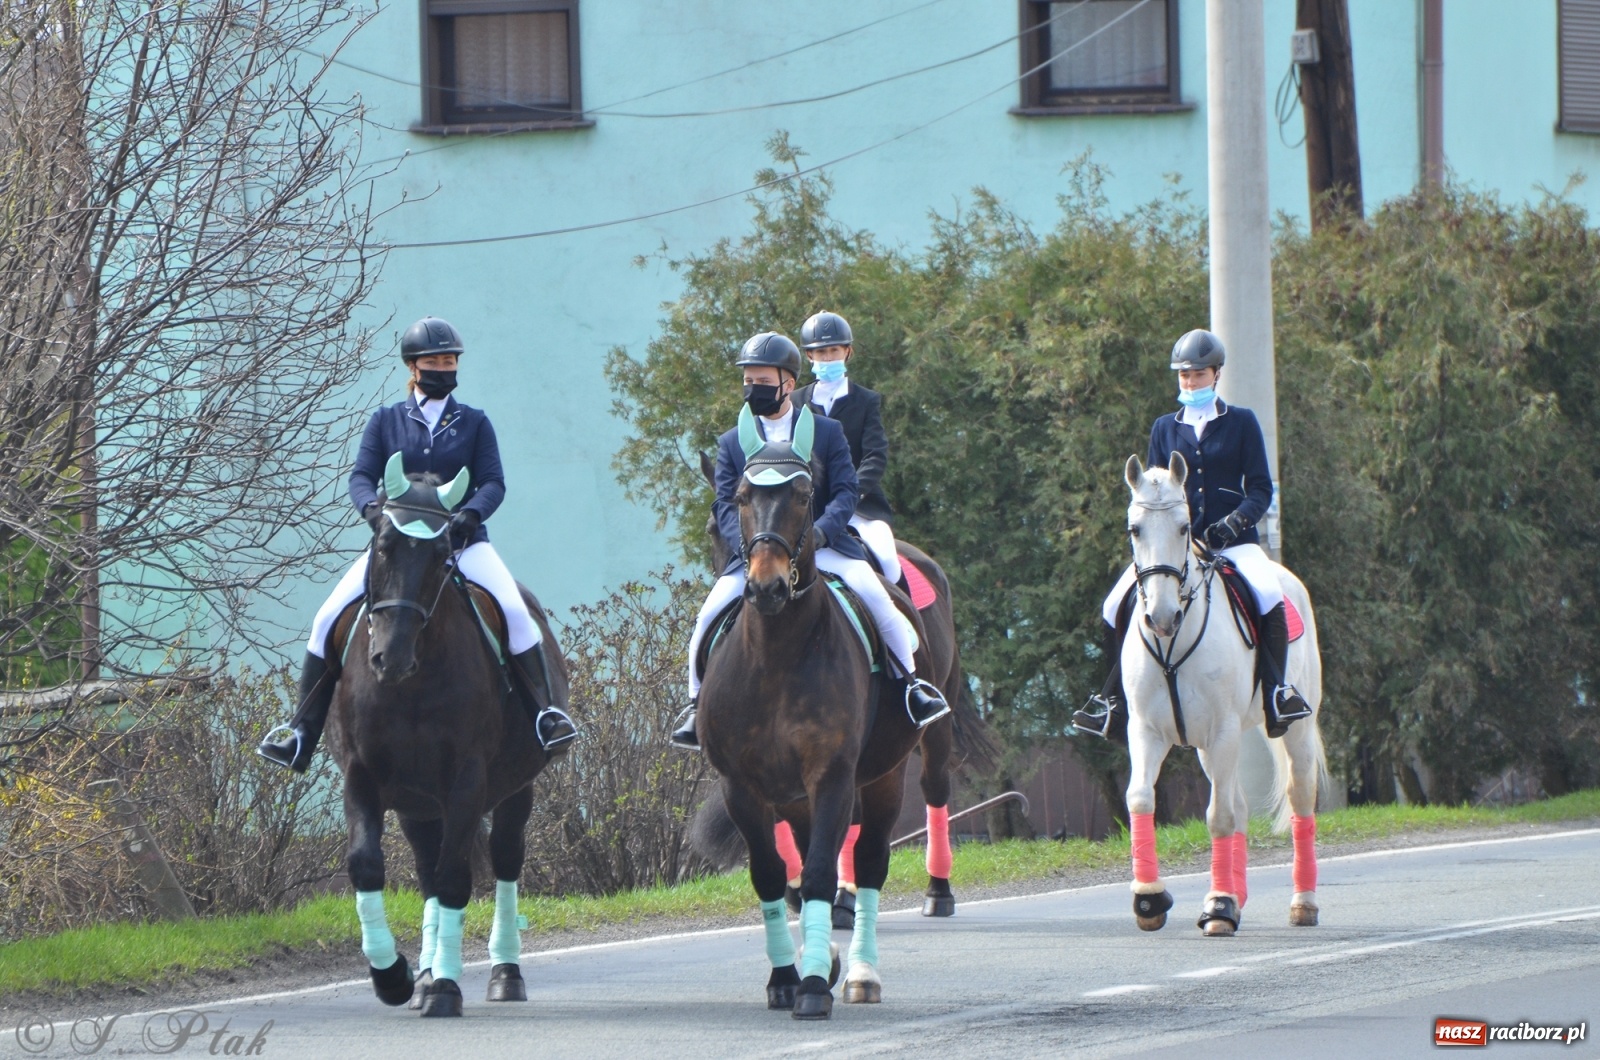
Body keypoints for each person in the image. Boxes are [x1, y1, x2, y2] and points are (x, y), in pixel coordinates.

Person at [257, 317, 578, 771]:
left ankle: (545, 716)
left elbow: (493, 482)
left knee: (515, 613)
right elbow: (361, 478)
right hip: (398, 547)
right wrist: (372, 512)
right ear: (413, 366)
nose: (444, 367)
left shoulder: (474, 423)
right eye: (434, 360)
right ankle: (300, 732)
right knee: (326, 618)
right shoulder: (385, 421)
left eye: (450, 360)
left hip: (462, 544)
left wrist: (470, 515)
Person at [669, 331, 950, 750]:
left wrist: (821, 533)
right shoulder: (732, 442)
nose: (753, 389)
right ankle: (695, 706)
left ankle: (912, 687)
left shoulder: (826, 432)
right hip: (756, 556)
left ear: (787, 382)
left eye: (762, 381)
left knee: (880, 602)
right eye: (748, 380)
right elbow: (726, 505)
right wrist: (748, 551)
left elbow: (844, 492)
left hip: (826, 549)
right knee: (705, 620)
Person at [1073, 328, 1312, 742]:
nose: (1190, 382)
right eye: (1183, 375)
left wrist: (1235, 522)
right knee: (1114, 605)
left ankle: (1277, 692)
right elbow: (1151, 490)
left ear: (1216, 374)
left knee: (1270, 595)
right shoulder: (1164, 428)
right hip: (1175, 549)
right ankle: (1113, 702)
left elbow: (1260, 488)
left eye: (1198, 374)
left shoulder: (1240, 422)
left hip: (1234, 544)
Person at [790, 310, 901, 586]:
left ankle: (907, 620)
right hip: (808, 506)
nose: (828, 357)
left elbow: (875, 455)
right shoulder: (794, 402)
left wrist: (851, 492)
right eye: (821, 351)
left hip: (859, 508)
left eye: (834, 350)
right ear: (809, 356)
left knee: (889, 561)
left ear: (847, 352)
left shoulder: (866, 401)